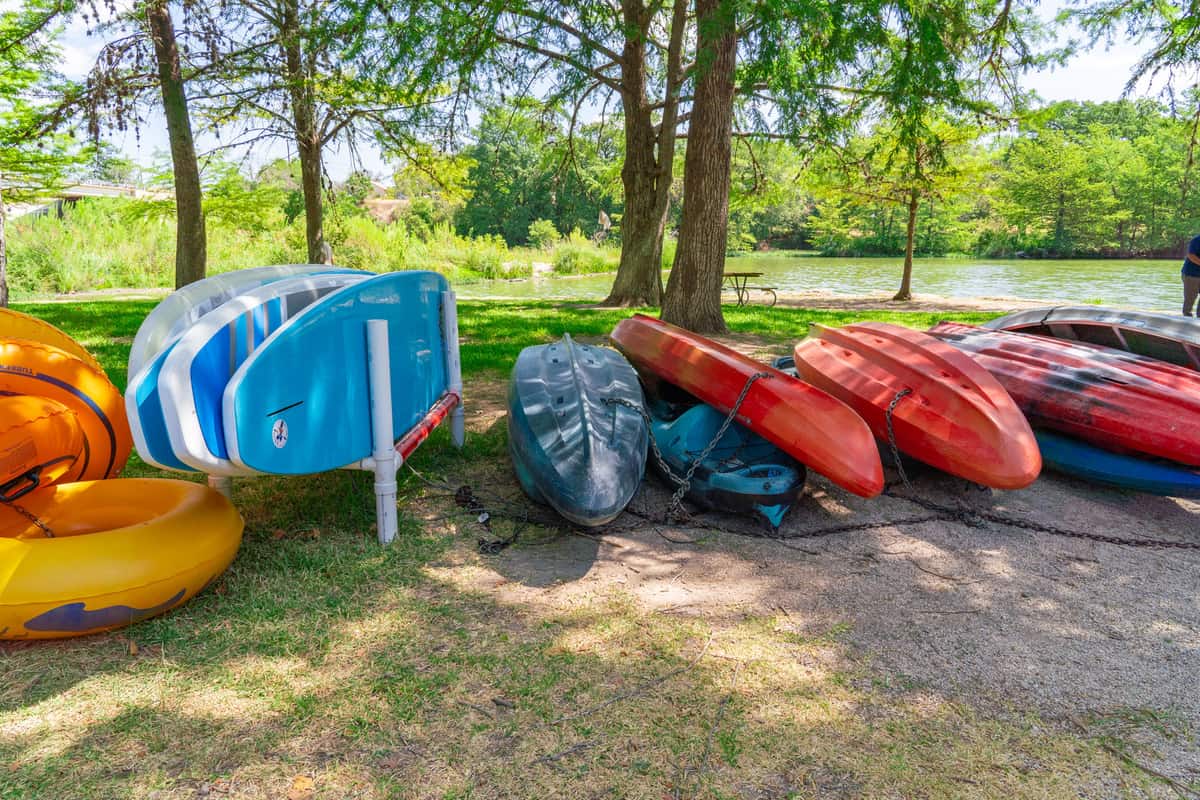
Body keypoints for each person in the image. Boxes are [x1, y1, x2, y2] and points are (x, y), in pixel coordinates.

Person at [1184, 233, 1200, 316]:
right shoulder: (1197, 240)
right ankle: (1186, 320)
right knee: (1190, 300)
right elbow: (1191, 255)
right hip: (1191, 275)